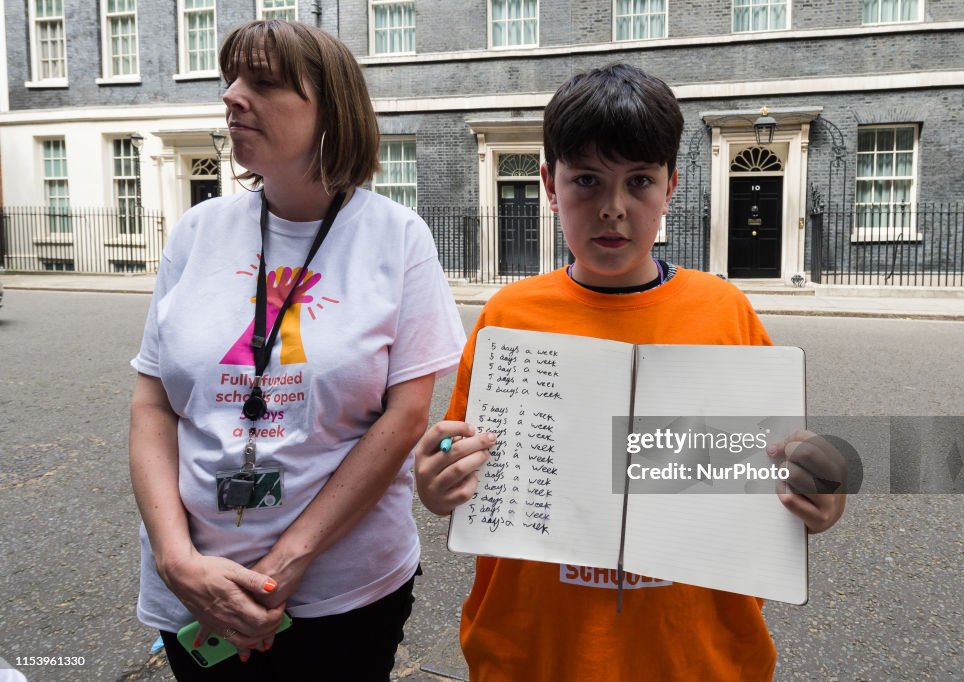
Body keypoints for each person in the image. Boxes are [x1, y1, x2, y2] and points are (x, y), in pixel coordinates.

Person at [414, 63, 846, 681]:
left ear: (671, 187)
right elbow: (466, 474)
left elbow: (772, 479)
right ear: (549, 185)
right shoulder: (510, 316)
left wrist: (818, 500)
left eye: (638, 181)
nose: (612, 208)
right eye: (586, 180)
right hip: (535, 655)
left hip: (697, 658)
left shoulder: (725, 312)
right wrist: (437, 487)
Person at [128, 20, 465, 680]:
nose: (231, 95)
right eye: (230, 78)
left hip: (342, 592)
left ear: (331, 112)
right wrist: (176, 561)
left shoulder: (397, 238)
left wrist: (286, 563)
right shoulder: (198, 232)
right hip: (195, 594)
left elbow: (403, 421)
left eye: (263, 82)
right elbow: (152, 407)